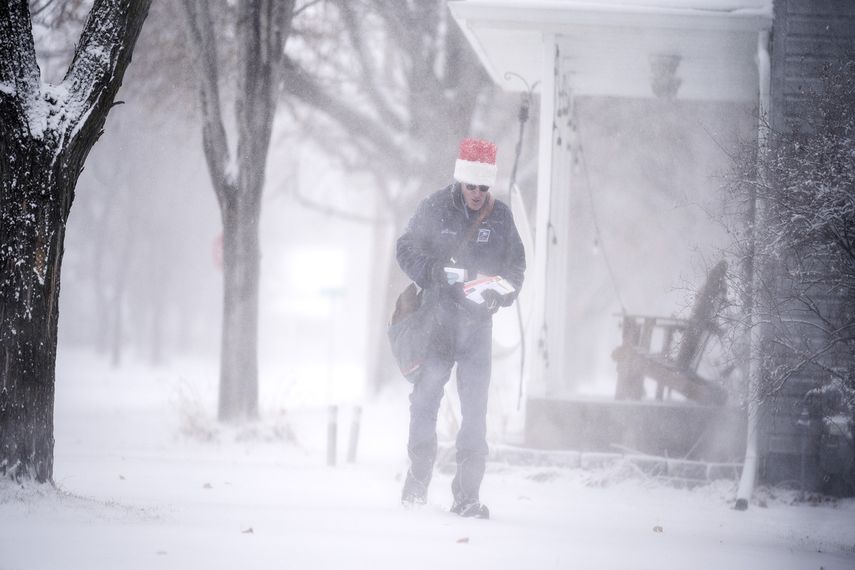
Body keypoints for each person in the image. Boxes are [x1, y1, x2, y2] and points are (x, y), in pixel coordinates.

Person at [396, 137, 526, 518]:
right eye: (471, 186)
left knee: (475, 411)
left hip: (477, 328)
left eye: (484, 187)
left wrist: (501, 295)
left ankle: (467, 497)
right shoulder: (434, 208)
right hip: (437, 324)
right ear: (461, 181)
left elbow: (516, 267)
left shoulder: (501, 218)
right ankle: (417, 480)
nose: (476, 194)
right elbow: (404, 248)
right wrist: (432, 273)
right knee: (425, 400)